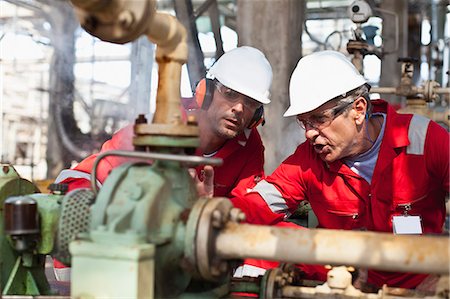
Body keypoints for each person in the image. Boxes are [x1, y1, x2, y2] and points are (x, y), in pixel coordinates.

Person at [231, 50, 449, 290]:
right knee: (250, 259)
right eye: (304, 122)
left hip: (421, 287)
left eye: (319, 119)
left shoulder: (425, 140)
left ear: (358, 109)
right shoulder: (308, 160)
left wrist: (442, 273)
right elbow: (252, 208)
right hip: (344, 286)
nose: (309, 133)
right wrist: (208, 214)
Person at [52, 46, 273, 280]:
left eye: (250, 102)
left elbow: (246, 208)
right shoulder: (165, 121)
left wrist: (205, 210)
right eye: (229, 93)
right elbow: (98, 178)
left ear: (256, 115)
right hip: (117, 217)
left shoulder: (250, 145)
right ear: (205, 92)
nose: (238, 108)